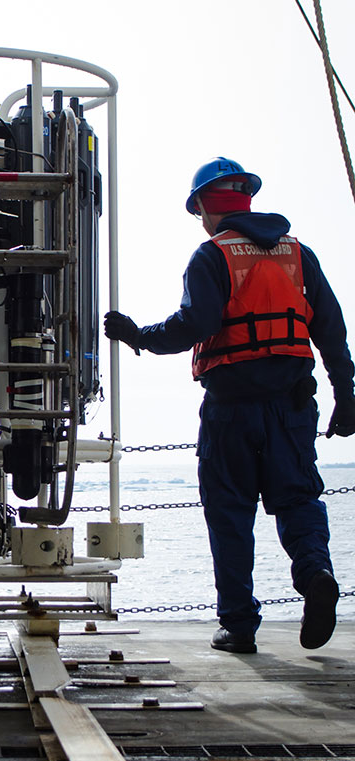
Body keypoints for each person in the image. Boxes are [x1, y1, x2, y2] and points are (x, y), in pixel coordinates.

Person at [105, 158, 355, 654]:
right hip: (291, 408)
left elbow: (194, 324)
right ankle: (315, 573)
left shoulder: (211, 256)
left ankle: (239, 626)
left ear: (204, 207)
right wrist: (346, 398)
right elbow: (332, 328)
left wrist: (137, 336)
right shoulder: (299, 255)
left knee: (230, 514)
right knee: (299, 499)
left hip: (230, 411)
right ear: (246, 199)